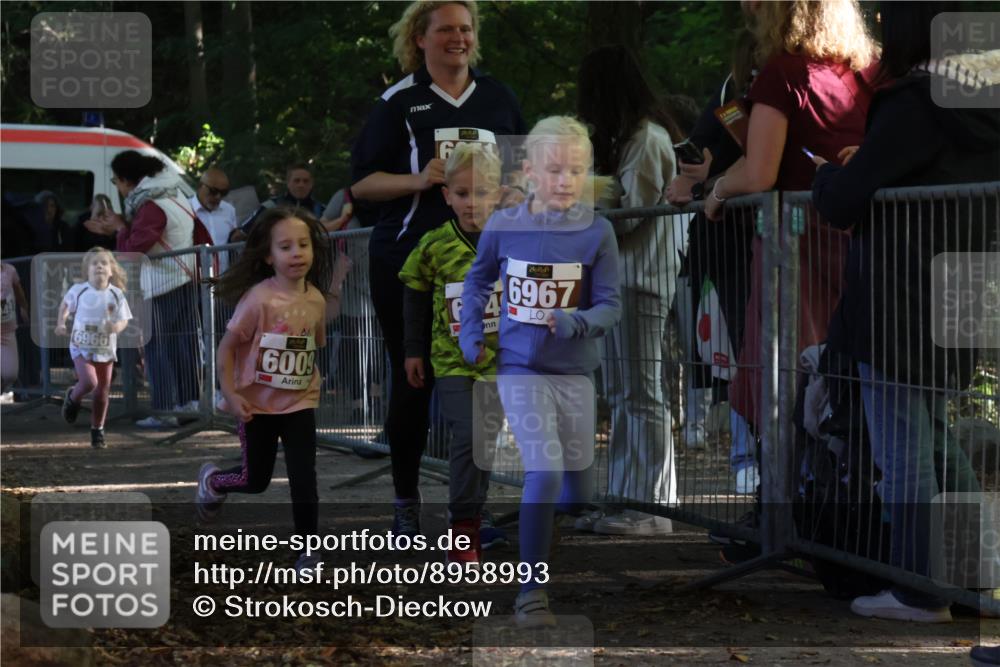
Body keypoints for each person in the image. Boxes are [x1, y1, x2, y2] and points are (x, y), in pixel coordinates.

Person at [811, 1, 999, 623]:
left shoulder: (914, 102)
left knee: (905, 447)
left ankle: (918, 590)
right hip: (964, 286)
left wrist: (826, 180)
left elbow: (844, 199)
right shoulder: (985, 106)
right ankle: (977, 581)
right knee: (937, 439)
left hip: (900, 295)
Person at [350, 0, 526, 537]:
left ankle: (472, 510)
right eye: (446, 29)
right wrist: (420, 179)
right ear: (419, 38)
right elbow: (360, 186)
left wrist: (515, 195)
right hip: (409, 263)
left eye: (466, 29)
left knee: (483, 385)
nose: (458, 37)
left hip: (484, 266)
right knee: (415, 382)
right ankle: (405, 500)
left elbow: (521, 175)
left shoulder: (498, 99)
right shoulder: (398, 102)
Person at [704, 0, 878, 489]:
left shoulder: (782, 75)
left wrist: (714, 191)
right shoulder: (871, 73)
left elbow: (759, 171)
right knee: (852, 382)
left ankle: (785, 516)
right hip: (861, 247)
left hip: (795, 253)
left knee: (788, 382)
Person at [459, 116, 621, 627]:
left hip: (574, 375)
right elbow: (478, 280)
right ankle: (532, 591)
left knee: (580, 494)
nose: (566, 181)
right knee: (544, 470)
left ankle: (547, 516)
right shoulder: (504, 225)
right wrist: (469, 337)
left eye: (576, 170)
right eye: (555, 170)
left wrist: (576, 322)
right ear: (529, 172)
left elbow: (612, 306)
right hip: (519, 369)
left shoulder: (598, 231)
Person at [575, 44, 685, 536]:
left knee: (642, 393)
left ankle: (654, 507)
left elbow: (631, 214)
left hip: (641, 280)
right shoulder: (635, 139)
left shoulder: (647, 139)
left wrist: (576, 219)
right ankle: (627, 498)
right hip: (621, 282)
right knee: (624, 394)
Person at [195, 206, 333, 573]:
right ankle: (213, 480)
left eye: (303, 244)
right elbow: (226, 348)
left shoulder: (316, 300)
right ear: (269, 256)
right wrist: (231, 392)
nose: (297, 253)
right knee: (254, 480)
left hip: (299, 402)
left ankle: (309, 552)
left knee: (305, 475)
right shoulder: (259, 299)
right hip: (256, 405)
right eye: (285, 247)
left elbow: (311, 345)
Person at [398, 144, 505, 565]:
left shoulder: (512, 239)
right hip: (452, 360)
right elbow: (414, 293)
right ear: (446, 195)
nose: (471, 203)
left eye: (481, 193)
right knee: (470, 434)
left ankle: (474, 516)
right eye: (462, 193)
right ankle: (463, 527)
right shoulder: (434, 244)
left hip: (502, 360)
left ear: (497, 194)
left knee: (486, 440)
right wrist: (412, 350)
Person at [84, 150, 203, 428]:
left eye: (116, 182)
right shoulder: (173, 196)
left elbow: (133, 250)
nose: (118, 188)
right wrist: (120, 227)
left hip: (163, 285)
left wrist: (119, 230)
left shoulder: (151, 205)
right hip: (183, 281)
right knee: (181, 347)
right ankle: (189, 404)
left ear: (127, 180)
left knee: (158, 349)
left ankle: (165, 409)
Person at [55, 248, 133, 449]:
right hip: (81, 345)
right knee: (89, 382)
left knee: (101, 392)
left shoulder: (116, 294)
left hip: (105, 349)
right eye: (94, 263)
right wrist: (61, 323)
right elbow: (64, 306)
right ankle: (73, 398)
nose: (99, 266)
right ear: (87, 270)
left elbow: (124, 319)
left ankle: (97, 430)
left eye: (104, 263)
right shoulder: (79, 290)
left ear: (111, 271)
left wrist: (116, 327)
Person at [240, 163, 325, 235]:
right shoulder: (270, 206)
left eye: (305, 181)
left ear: (311, 184)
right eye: (296, 181)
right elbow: (244, 231)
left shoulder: (322, 210)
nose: (301, 185)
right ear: (288, 183)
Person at [190, 166, 239, 274]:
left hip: (223, 278)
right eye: (213, 191)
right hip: (194, 281)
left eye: (223, 193)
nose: (218, 197)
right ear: (200, 186)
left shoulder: (229, 210)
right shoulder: (186, 209)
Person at [0, 262, 28, 395]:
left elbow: (18, 290)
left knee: (10, 375)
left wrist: (23, 307)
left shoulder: (10, 270)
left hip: (7, 330)